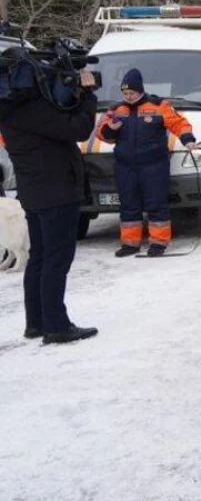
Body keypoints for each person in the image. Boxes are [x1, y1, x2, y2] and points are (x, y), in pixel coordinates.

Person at [0, 61, 99, 344]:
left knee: (40, 258)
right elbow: (79, 129)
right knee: (56, 259)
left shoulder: (10, 110)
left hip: (34, 193)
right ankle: (56, 324)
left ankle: (36, 322)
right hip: (56, 191)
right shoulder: (34, 110)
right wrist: (88, 97)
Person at [94, 68, 196, 257]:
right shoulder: (116, 110)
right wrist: (111, 128)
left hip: (154, 164)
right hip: (125, 166)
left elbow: (178, 123)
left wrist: (187, 139)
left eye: (132, 92)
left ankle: (158, 242)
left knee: (156, 203)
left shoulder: (158, 105)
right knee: (128, 204)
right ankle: (130, 243)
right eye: (125, 93)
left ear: (140, 90)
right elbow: (102, 134)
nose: (128, 96)